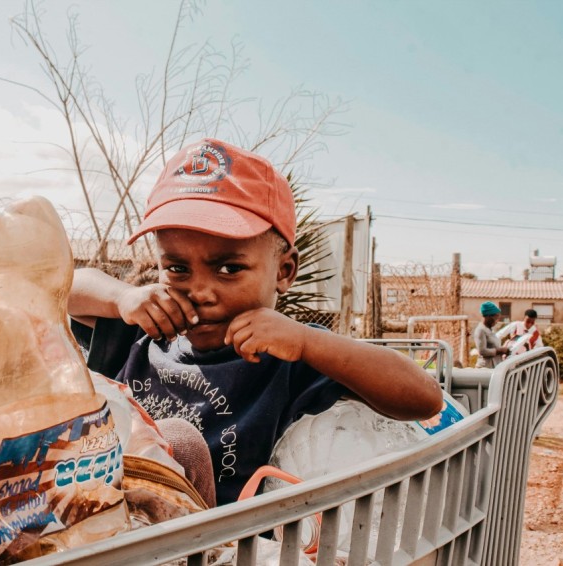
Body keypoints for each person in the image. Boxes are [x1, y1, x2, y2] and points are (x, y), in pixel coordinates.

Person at [68, 138, 443, 506]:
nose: (200, 291)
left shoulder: (289, 357)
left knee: (178, 442)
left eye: (229, 269)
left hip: (202, 547)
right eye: (177, 268)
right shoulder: (146, 328)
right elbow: (61, 288)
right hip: (92, 519)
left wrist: (307, 343)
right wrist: (121, 297)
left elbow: (424, 398)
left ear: (284, 271)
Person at [473, 301, 510, 369]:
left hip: (494, 366)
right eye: (496, 317)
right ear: (488, 316)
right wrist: (499, 351)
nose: (497, 321)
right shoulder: (481, 330)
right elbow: (482, 351)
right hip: (485, 368)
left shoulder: (489, 329)